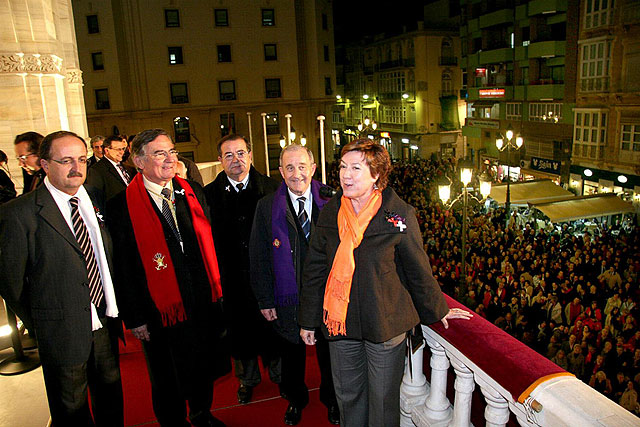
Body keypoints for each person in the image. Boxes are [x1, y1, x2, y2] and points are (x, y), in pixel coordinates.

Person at [298, 139, 472, 427]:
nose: (346, 175)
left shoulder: (398, 215)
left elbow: (417, 269)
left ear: (376, 174)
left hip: (385, 324)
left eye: (356, 168)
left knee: (382, 402)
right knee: (348, 397)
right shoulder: (331, 213)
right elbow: (315, 270)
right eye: (343, 167)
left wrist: (438, 309)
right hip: (341, 326)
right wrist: (307, 320)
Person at [0, 130, 123, 425]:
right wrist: (44, 324)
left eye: (81, 159)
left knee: (111, 401)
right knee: (71, 410)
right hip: (61, 332)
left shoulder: (94, 198)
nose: (76, 168)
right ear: (44, 164)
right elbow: (11, 283)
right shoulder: (19, 213)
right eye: (65, 160)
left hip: (104, 322)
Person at [107, 128, 226, 427]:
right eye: (160, 153)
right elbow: (122, 268)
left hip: (199, 300)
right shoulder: (121, 206)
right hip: (157, 310)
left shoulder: (191, 192)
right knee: (166, 375)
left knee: (201, 365)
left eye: (171, 151)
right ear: (138, 161)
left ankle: (202, 414)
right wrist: (135, 317)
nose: (170, 159)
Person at [250, 144, 339, 425]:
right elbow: (259, 255)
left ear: (313, 169)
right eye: (289, 167)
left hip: (327, 297)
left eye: (302, 166)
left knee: (330, 354)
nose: (296, 173)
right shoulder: (266, 207)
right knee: (291, 356)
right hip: (287, 298)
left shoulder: (333, 201)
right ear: (280, 172)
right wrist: (265, 300)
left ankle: (332, 400)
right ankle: (295, 400)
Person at [204, 134, 281, 404]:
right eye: (228, 155)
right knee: (240, 333)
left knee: (273, 330)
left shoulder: (273, 189)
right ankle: (247, 381)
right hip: (231, 280)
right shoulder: (207, 196)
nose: (235, 160)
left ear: (250, 155)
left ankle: (281, 376)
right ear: (220, 161)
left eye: (240, 153)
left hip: (268, 276)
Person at [86, 135, 136, 203]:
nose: (122, 152)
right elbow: (96, 198)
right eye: (118, 149)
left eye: (123, 149)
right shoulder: (96, 170)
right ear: (107, 150)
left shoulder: (125, 166)